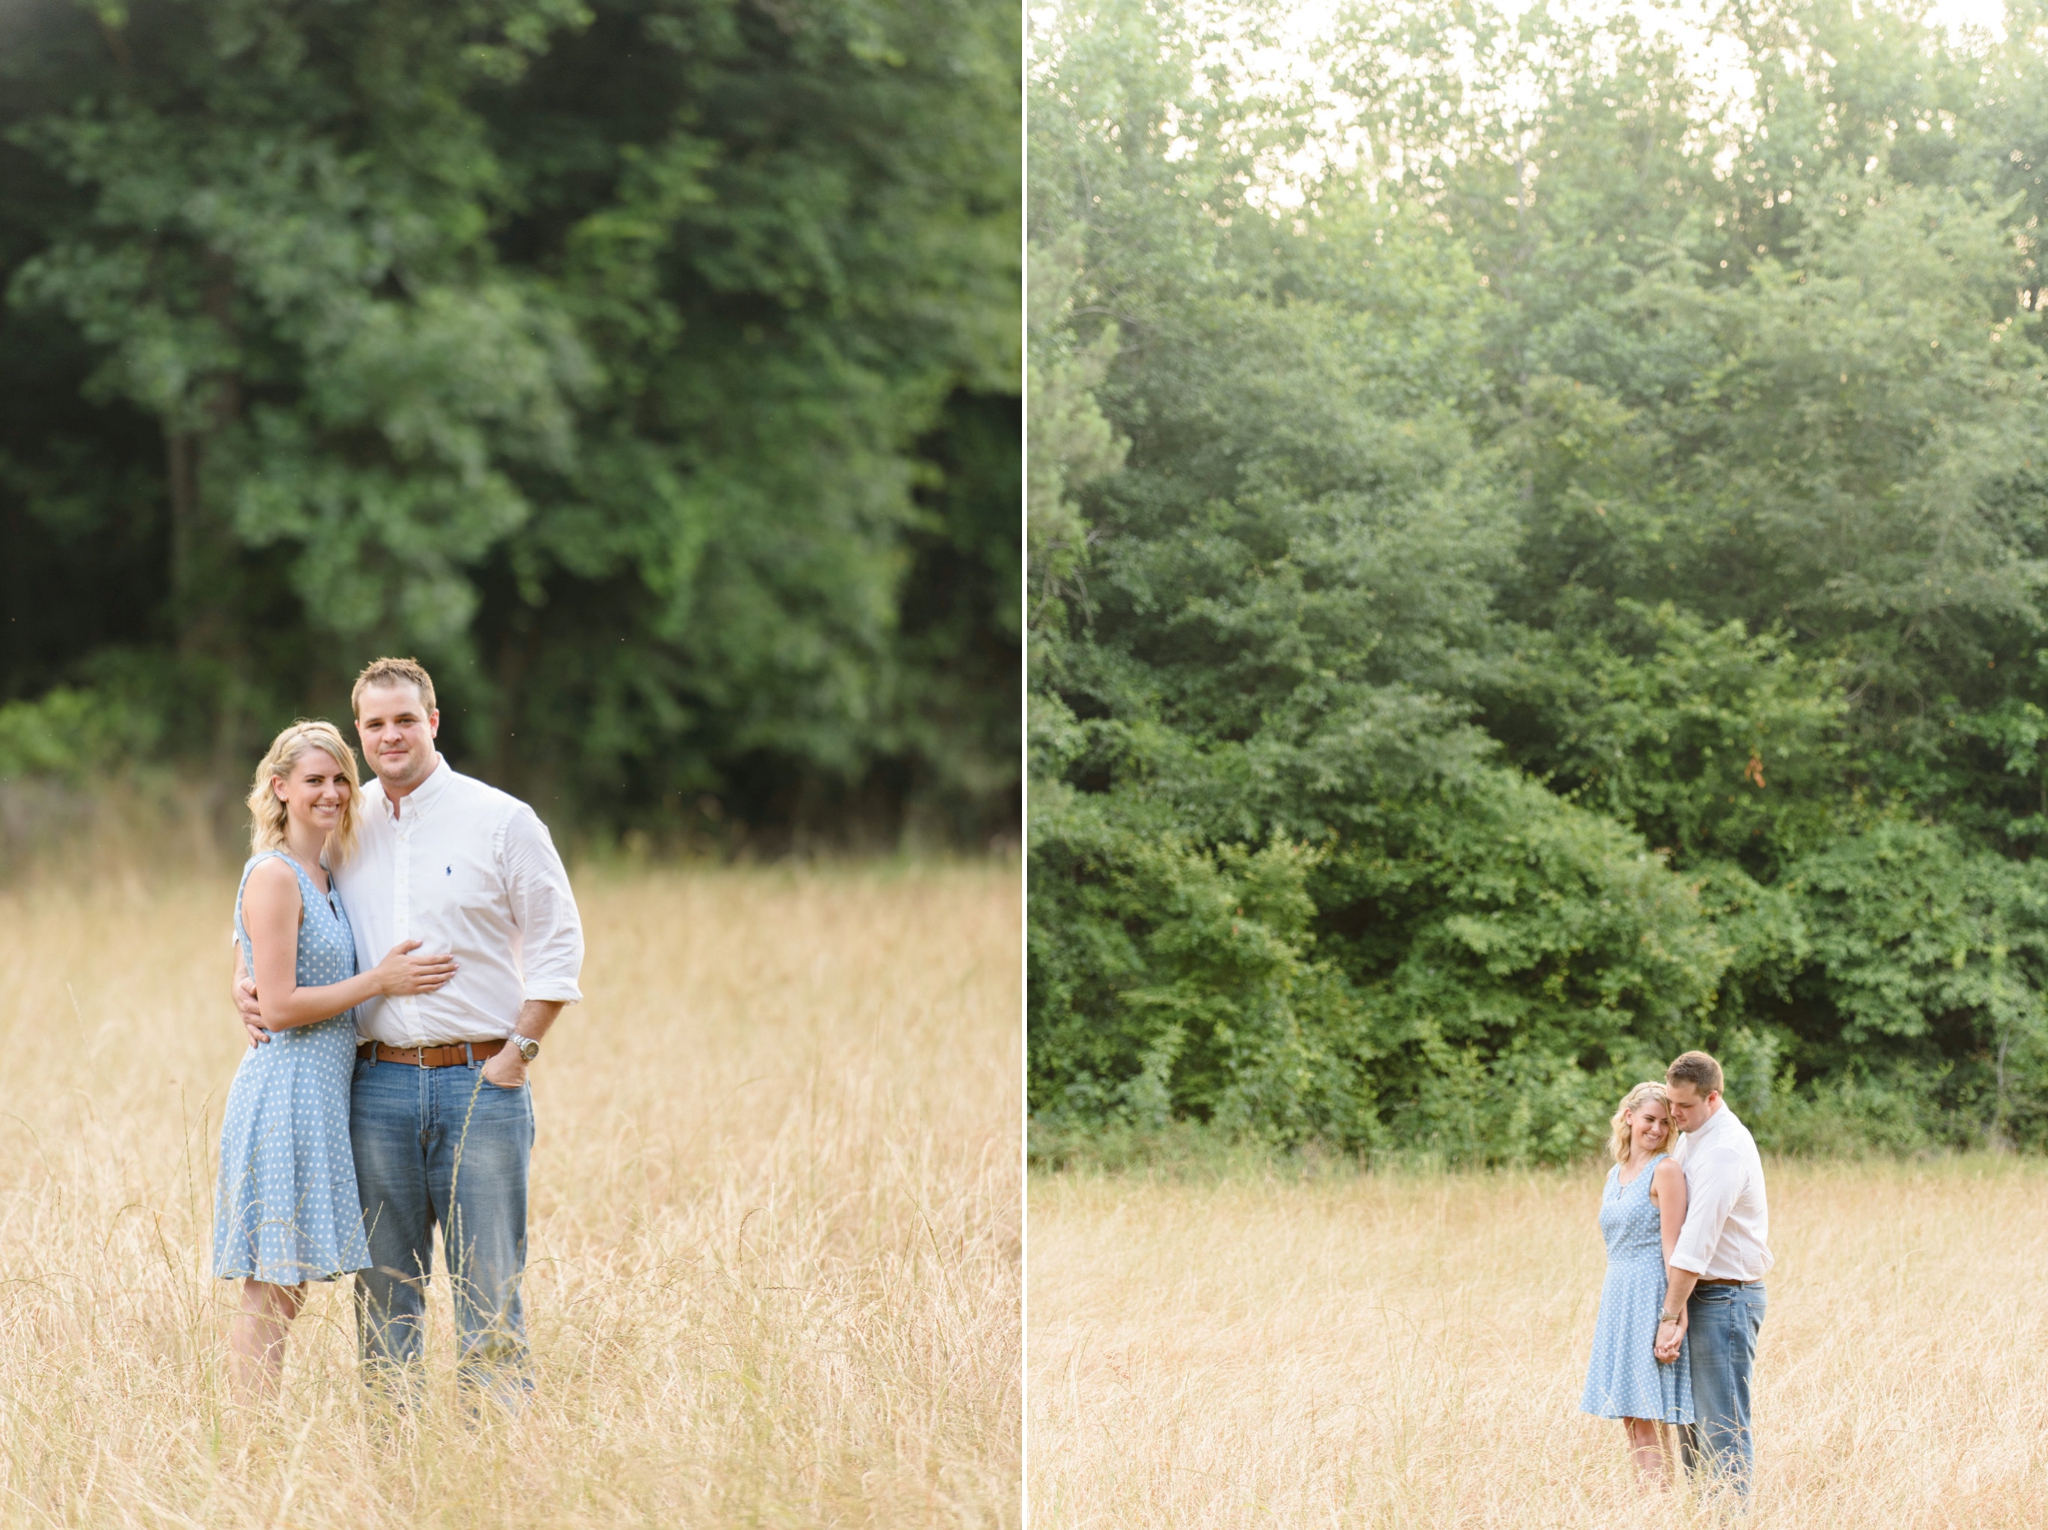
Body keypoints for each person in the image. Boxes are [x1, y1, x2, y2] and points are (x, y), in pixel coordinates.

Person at [236, 657, 585, 1406]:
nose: (390, 735)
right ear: (360, 734)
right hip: (374, 1088)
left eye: (404, 719)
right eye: (374, 724)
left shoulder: (500, 819)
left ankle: (491, 1470)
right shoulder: (342, 824)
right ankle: (396, 1475)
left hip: (480, 1084)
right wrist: (243, 982)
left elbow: (560, 945)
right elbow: (273, 908)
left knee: (490, 1290)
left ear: (433, 720)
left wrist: (518, 1056)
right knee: (384, 1300)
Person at [214, 720, 456, 1400]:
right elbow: (283, 1006)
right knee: (272, 1287)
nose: (331, 792)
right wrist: (379, 981)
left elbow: (250, 956)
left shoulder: (325, 872)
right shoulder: (274, 873)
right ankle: (246, 1444)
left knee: (288, 1289)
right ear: (280, 788)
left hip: (324, 1095)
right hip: (284, 1092)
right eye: (314, 780)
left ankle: (252, 1434)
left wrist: (239, 974)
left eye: (340, 778)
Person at [1655, 1049, 1772, 1500]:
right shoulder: (1693, 1134)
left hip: (1726, 1299)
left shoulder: (1724, 1150)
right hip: (1697, 1297)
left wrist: (1670, 1315)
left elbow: (1695, 1245)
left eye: (1683, 1105)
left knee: (1722, 1427)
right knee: (1690, 1427)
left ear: (1713, 1097)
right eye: (1671, 1103)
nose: (1674, 1114)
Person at [1580, 1080, 1693, 1486]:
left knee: (1646, 1414)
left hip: (1648, 1294)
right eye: (1649, 1119)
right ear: (1628, 1117)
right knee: (1630, 1415)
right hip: (1617, 1295)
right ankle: (1647, 1505)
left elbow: (1674, 1250)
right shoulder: (1616, 1173)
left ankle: (1657, 1507)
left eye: (1665, 1123)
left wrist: (1674, 1316)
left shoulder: (1665, 1170)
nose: (1657, 1130)